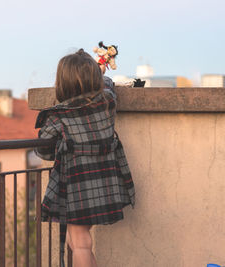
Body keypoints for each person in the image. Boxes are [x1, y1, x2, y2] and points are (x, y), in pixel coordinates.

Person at [34, 49, 135, 267]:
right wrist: (100, 73)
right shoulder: (107, 101)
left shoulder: (59, 115)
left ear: (62, 83)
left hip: (77, 184)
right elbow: (108, 82)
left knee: (80, 242)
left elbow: (42, 150)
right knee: (77, 239)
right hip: (105, 181)